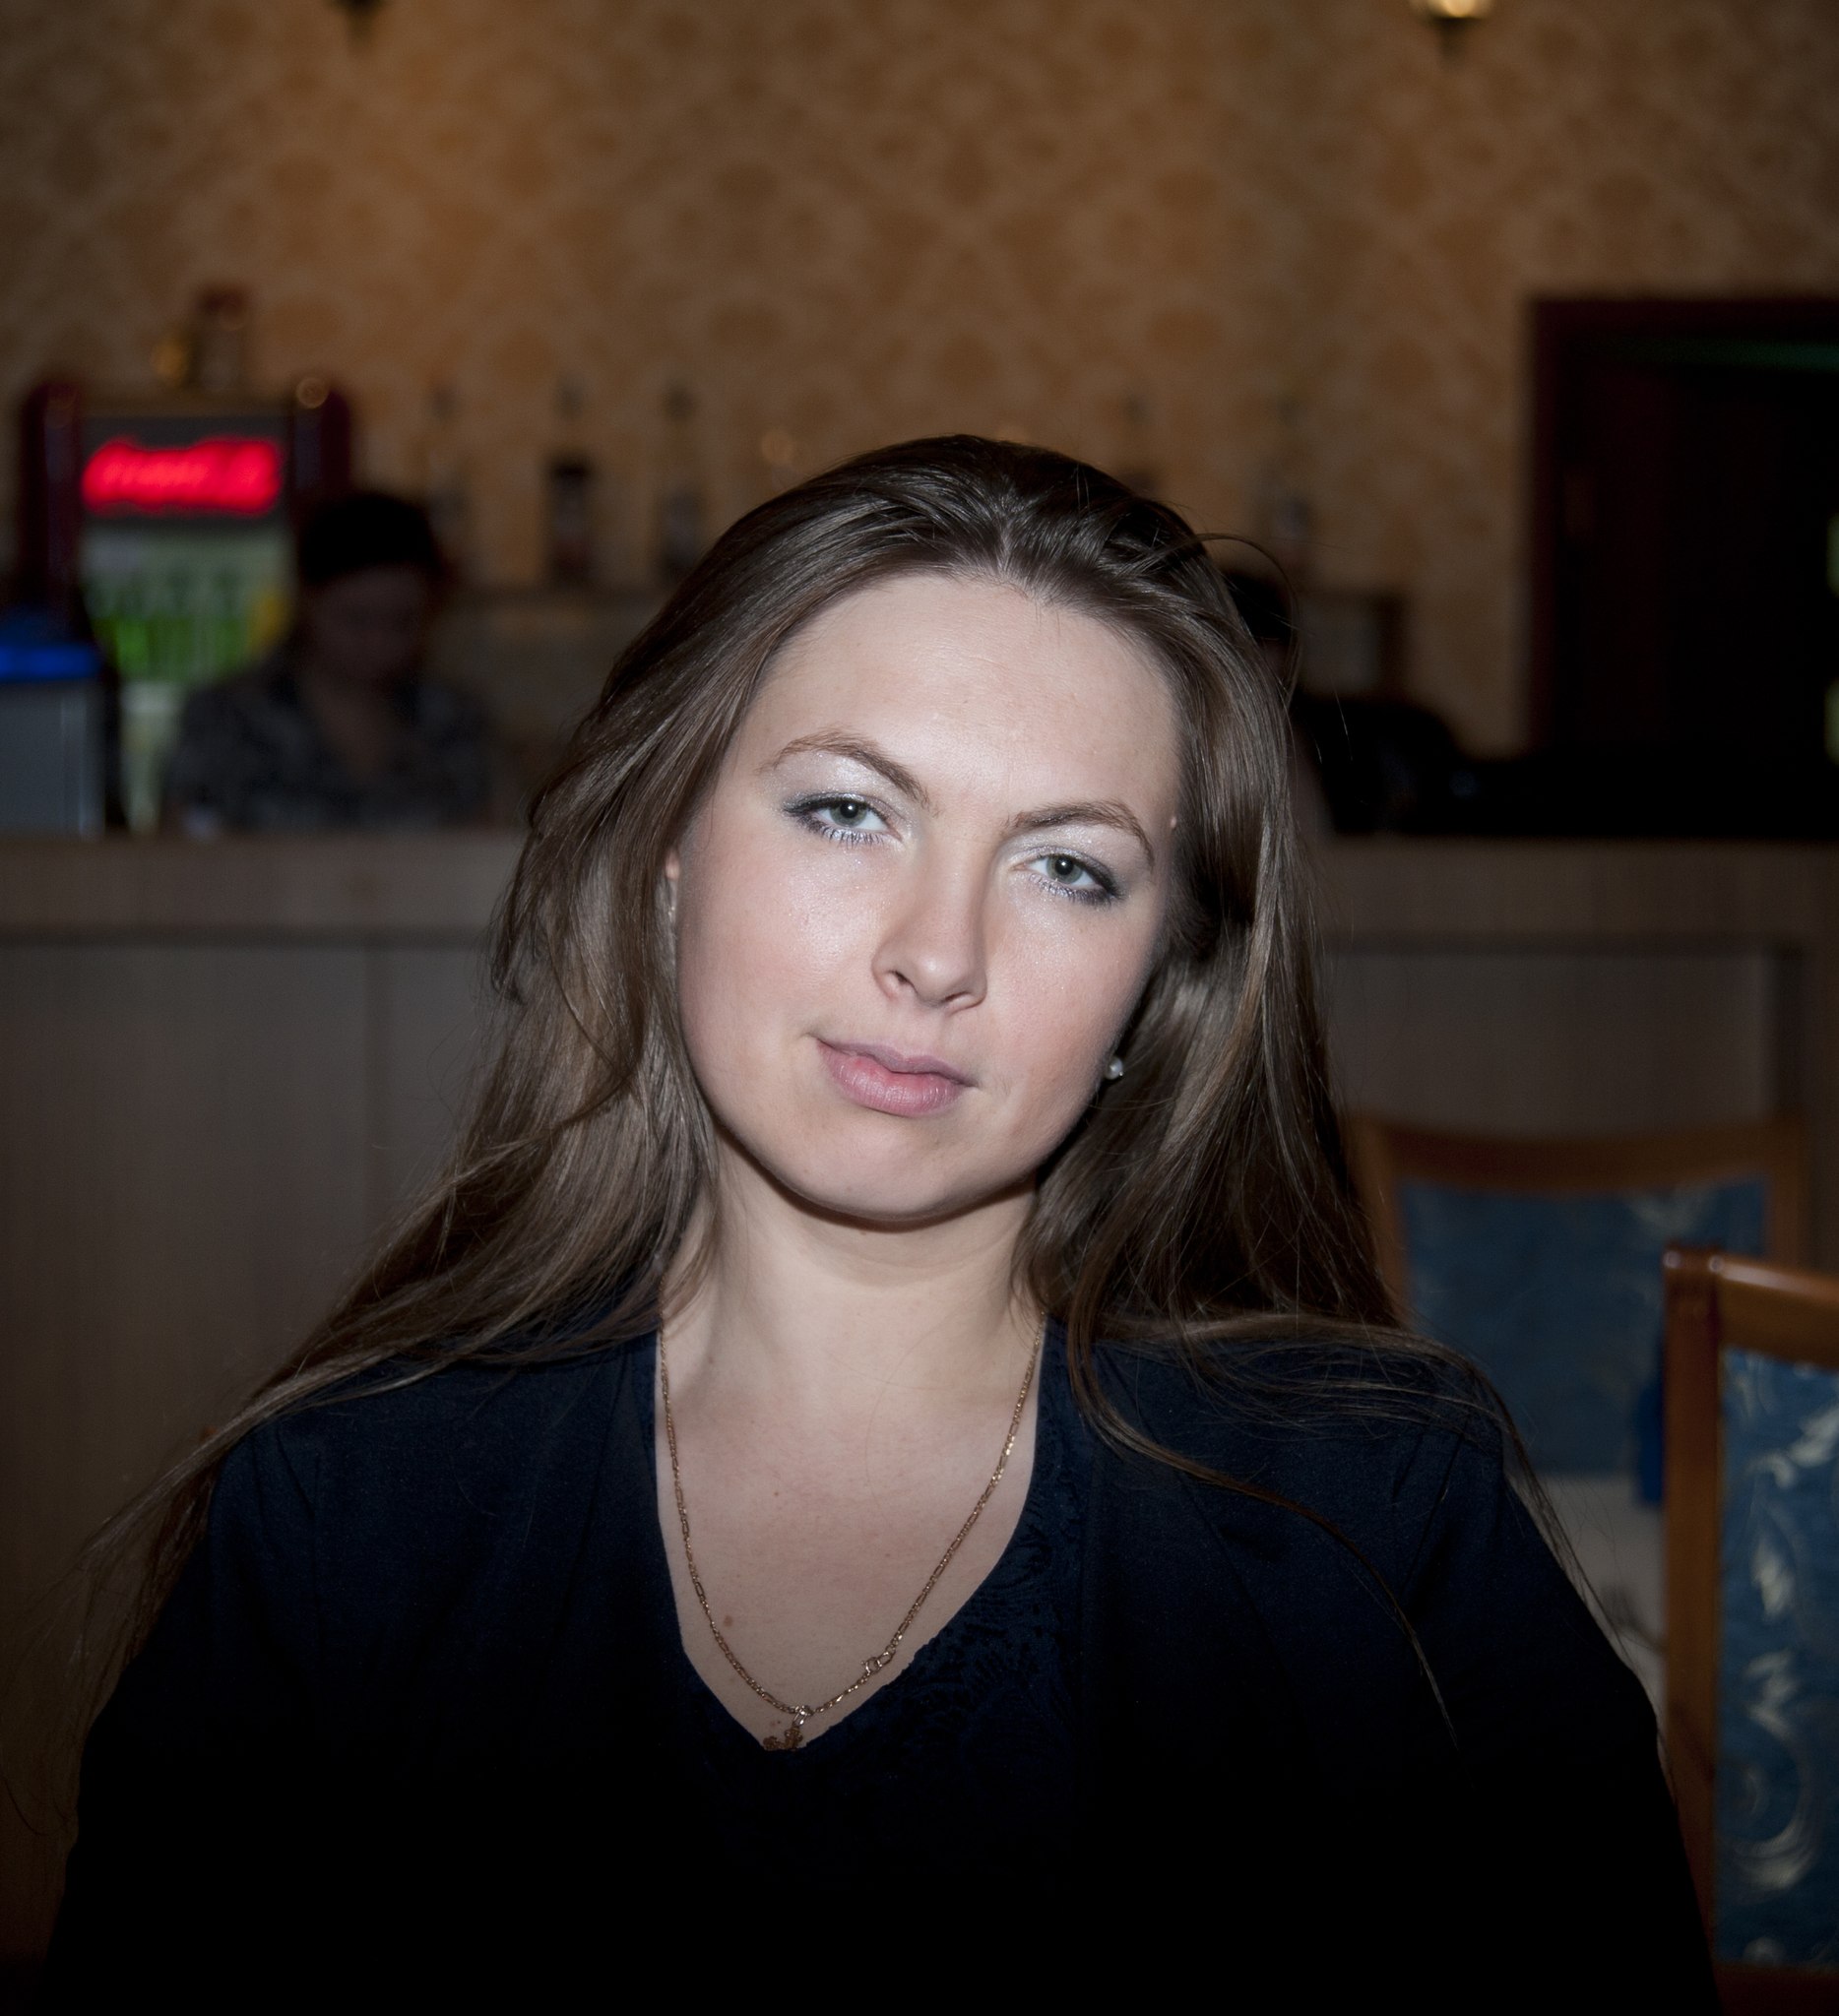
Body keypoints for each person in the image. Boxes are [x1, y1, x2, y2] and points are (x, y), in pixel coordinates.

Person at [44, 440, 1712, 1998]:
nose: (937, 953)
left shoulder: (1380, 1519)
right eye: (847, 809)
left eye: (1067, 867)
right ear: (669, 852)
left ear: (1154, 985)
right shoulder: (346, 1514)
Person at [163, 489, 492, 833]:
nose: (377, 642)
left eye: (401, 621)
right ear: (308, 600)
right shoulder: (230, 718)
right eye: (355, 619)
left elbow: (487, 840)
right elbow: (180, 845)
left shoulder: (450, 722)